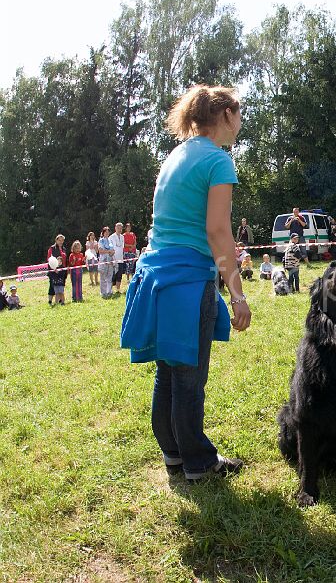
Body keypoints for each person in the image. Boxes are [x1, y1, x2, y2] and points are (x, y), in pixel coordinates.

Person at [121, 83, 250, 482]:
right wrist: (237, 293)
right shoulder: (217, 161)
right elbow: (217, 230)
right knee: (190, 379)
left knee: (169, 373)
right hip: (188, 282)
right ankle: (199, 463)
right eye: (239, 113)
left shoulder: (174, 155)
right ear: (226, 115)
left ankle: (175, 455)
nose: (241, 122)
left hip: (154, 278)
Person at [47, 234, 68, 306]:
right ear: (56, 240)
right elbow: (49, 259)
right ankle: (50, 301)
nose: (61, 242)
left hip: (62, 271)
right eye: (59, 240)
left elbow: (65, 260)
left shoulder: (64, 248)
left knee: (61, 286)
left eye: (62, 240)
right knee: (52, 286)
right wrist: (54, 269)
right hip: (53, 271)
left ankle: (60, 300)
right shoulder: (52, 248)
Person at [97, 226, 115, 299]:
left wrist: (112, 252)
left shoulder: (110, 241)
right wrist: (108, 251)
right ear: (103, 233)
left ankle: (109, 291)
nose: (107, 233)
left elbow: (113, 251)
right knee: (103, 277)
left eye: (108, 232)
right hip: (103, 261)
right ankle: (103, 292)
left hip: (110, 260)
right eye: (106, 232)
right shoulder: (101, 241)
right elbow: (100, 251)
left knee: (110, 277)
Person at [109, 222, 126, 294]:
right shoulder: (111, 237)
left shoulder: (122, 237)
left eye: (121, 228)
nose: (119, 229)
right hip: (114, 258)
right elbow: (111, 248)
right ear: (115, 228)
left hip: (121, 258)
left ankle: (118, 289)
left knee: (120, 274)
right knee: (113, 275)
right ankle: (110, 289)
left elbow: (122, 247)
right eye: (118, 228)